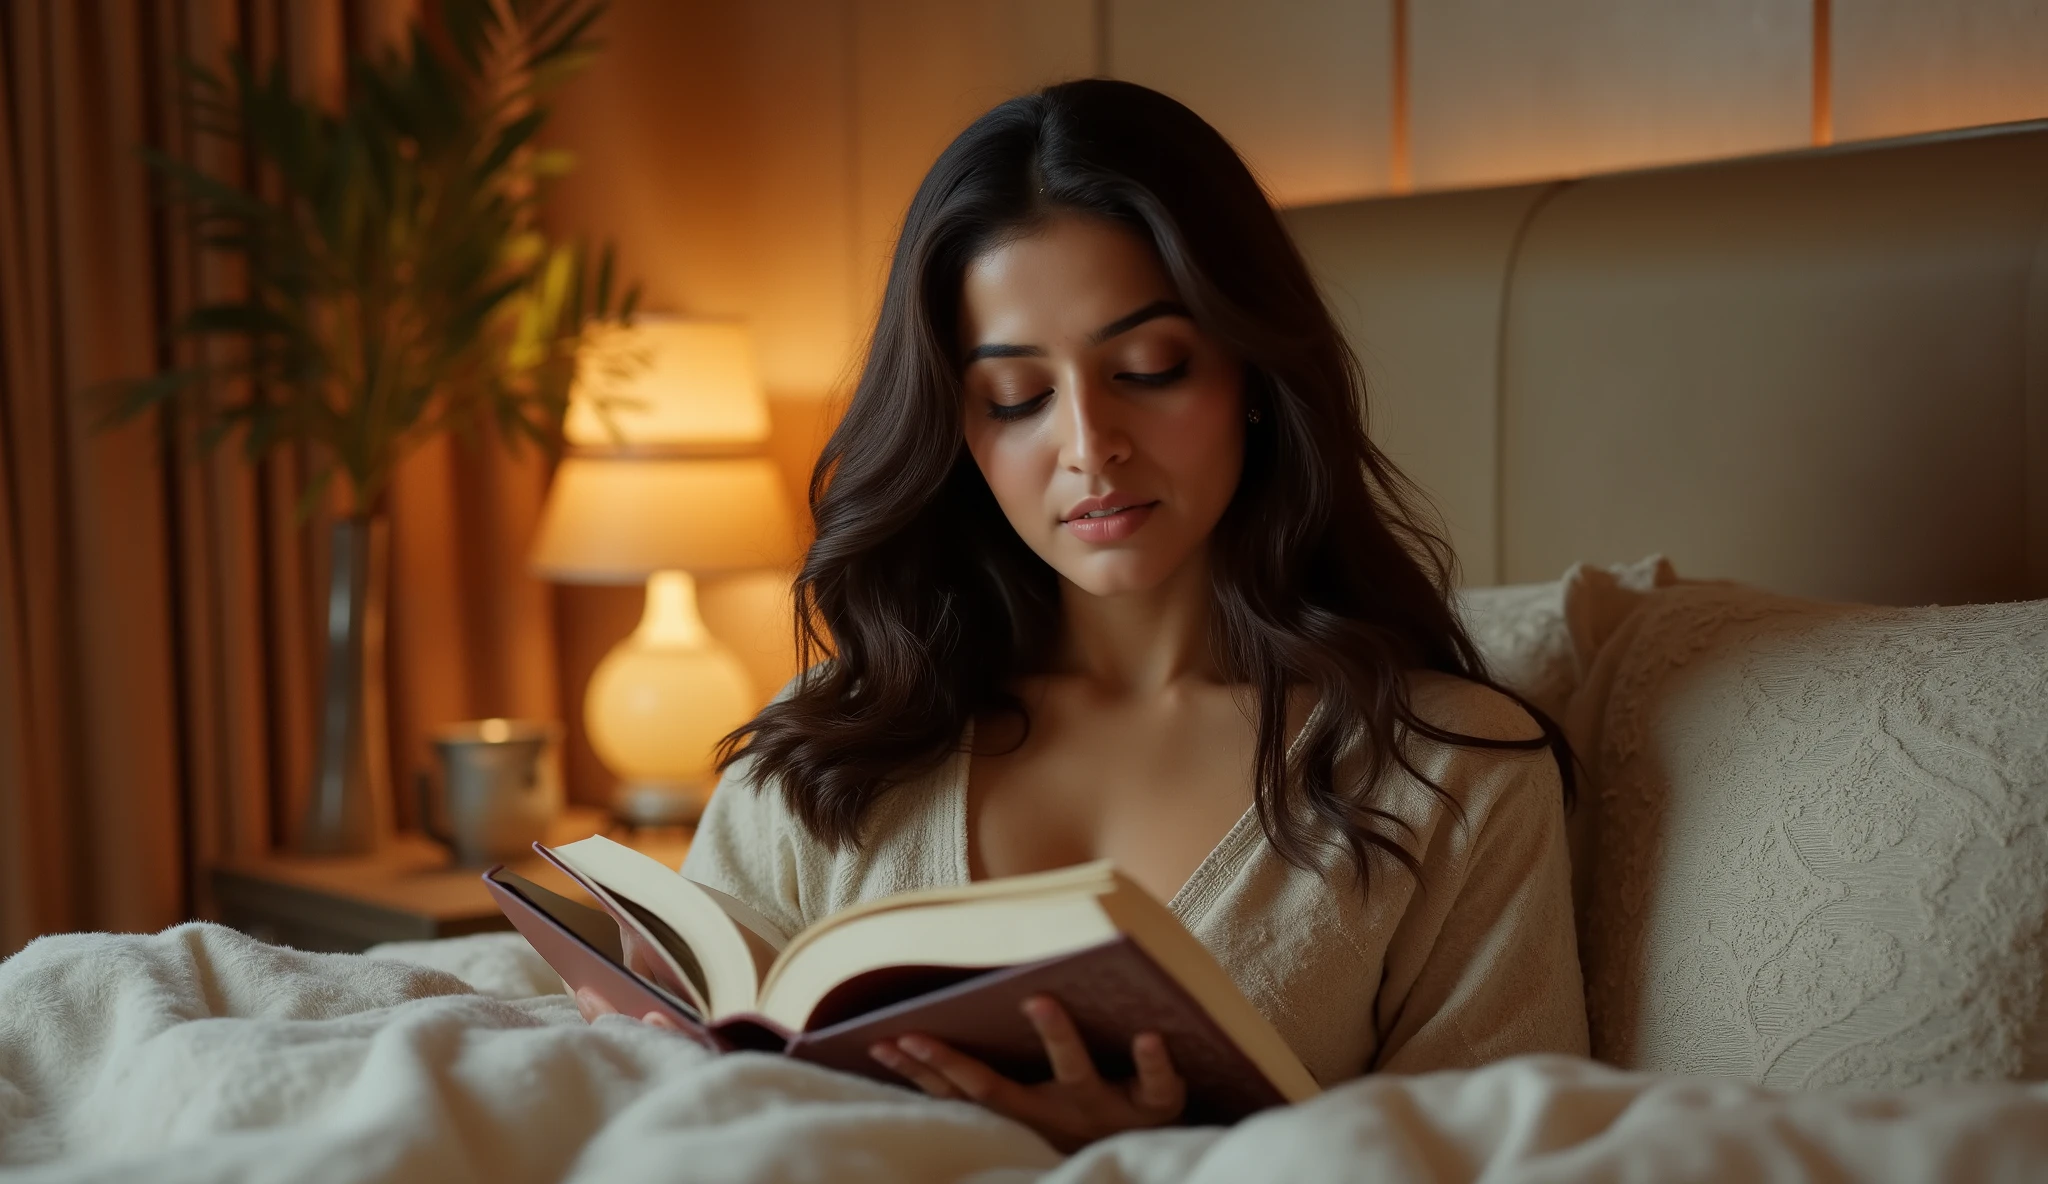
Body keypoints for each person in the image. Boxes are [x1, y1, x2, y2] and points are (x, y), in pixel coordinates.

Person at [576, 78, 1588, 1152]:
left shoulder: (1449, 778)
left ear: (1252, 370)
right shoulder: (829, 744)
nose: (1086, 443)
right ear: (956, 427)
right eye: (1015, 396)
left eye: (1149, 368)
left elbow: (1507, 1154)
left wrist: (1159, 1154)